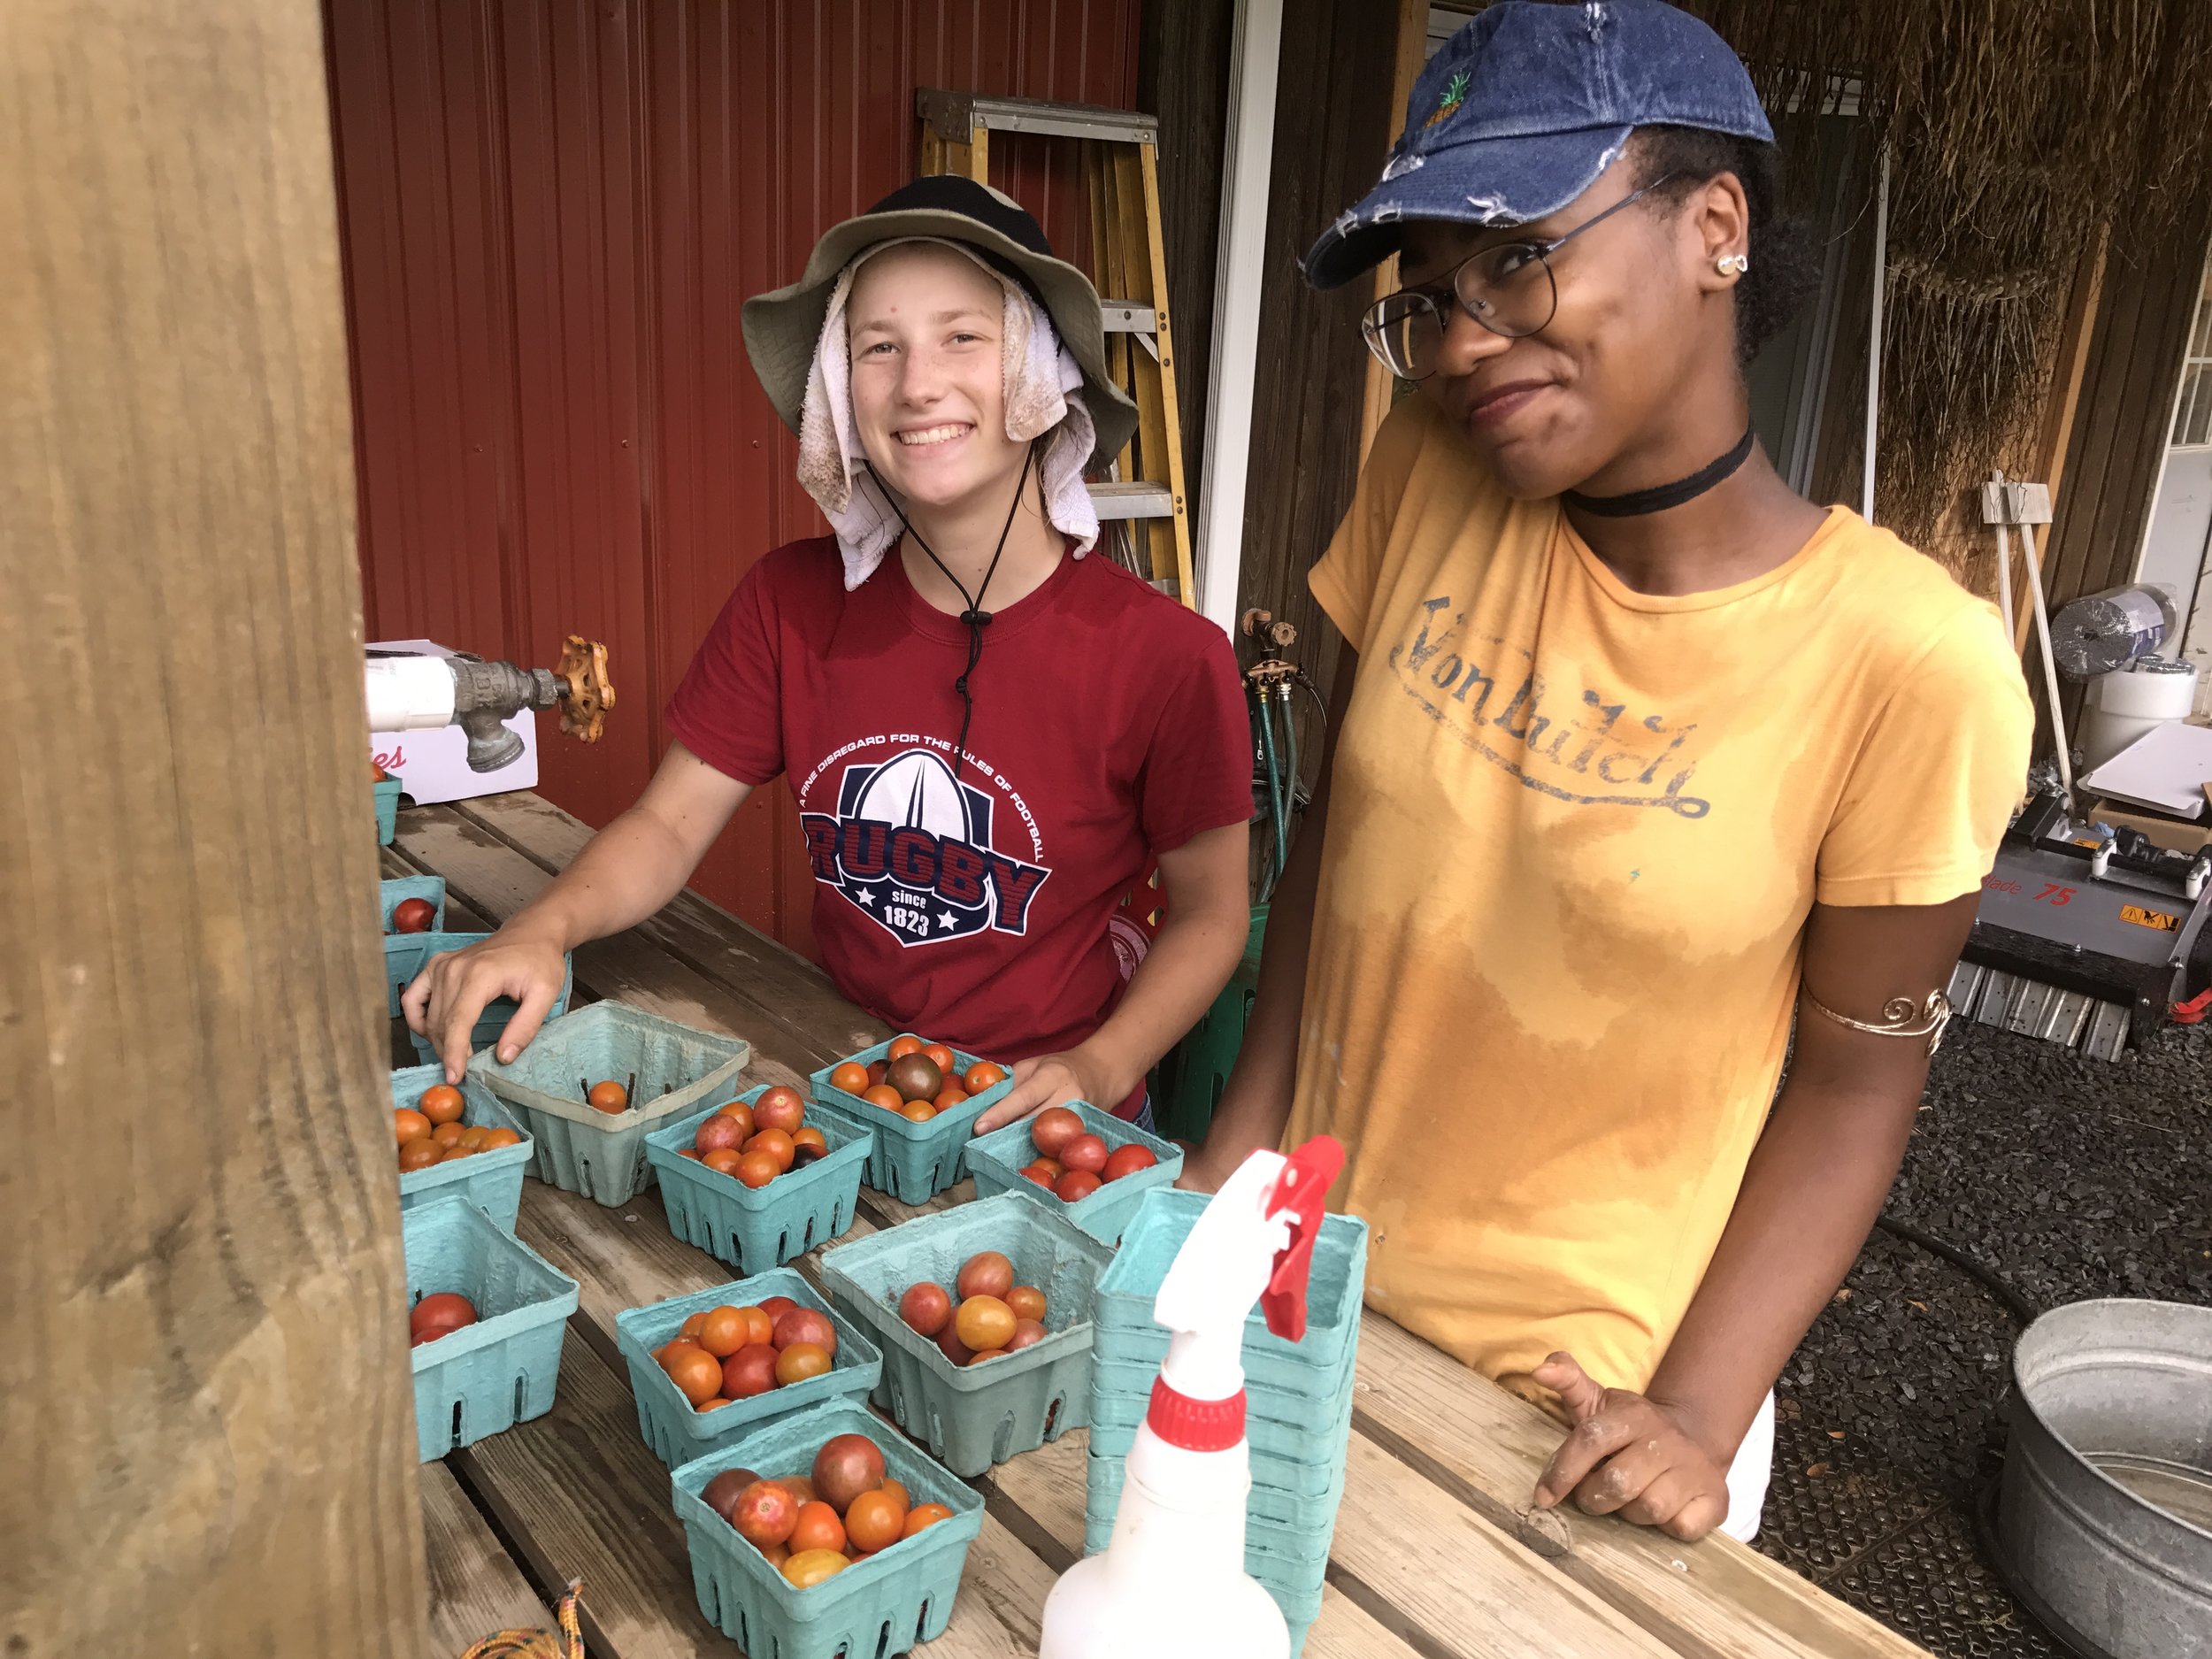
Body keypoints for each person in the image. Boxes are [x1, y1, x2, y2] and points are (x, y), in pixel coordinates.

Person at [1184, 0, 2031, 1544]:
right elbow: (1334, 848)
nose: (1457, 341)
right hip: (1297, 1296)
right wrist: (1227, 1177)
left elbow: (1857, 1084)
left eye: (1515, 257)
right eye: (1426, 298)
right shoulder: (1427, 474)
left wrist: (1697, 1417)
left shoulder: (1910, 662)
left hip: (1572, 1419)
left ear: (1716, 225)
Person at [404, 176, 1254, 1134]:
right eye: (876, 348)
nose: (918, 384)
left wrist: (1100, 1065)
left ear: (1041, 375)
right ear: (837, 403)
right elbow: (671, 823)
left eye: (962, 337)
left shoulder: (1167, 657)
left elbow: (1212, 915)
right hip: (844, 1084)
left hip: (1051, 1120)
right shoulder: (788, 603)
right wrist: (539, 929)